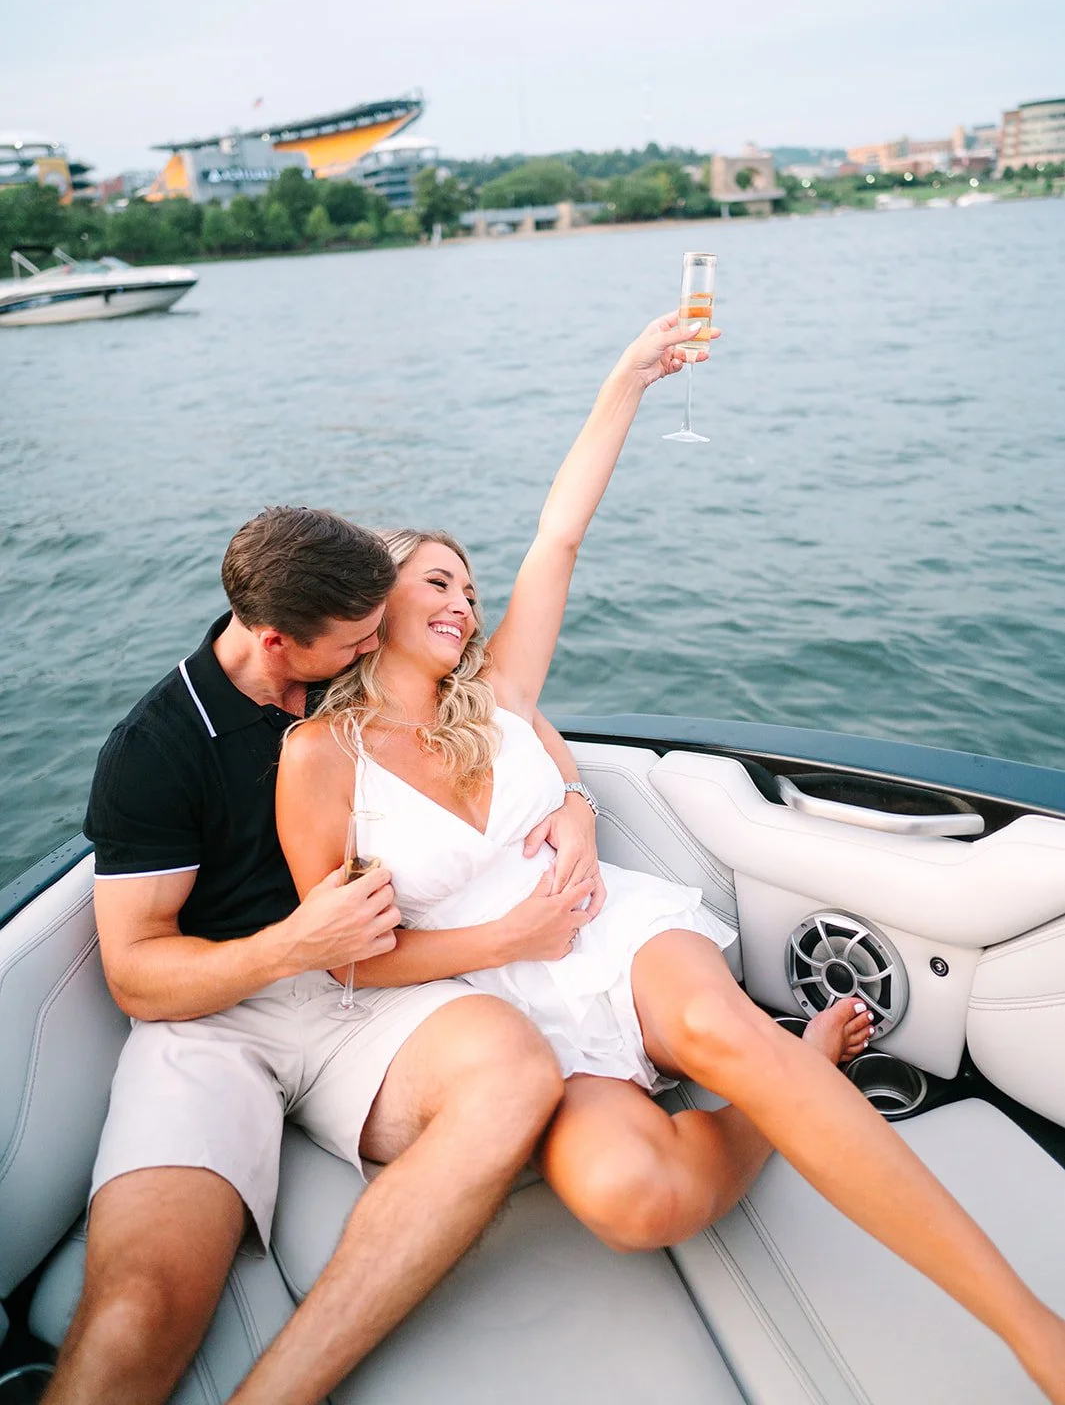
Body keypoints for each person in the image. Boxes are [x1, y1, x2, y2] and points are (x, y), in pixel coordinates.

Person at [278, 314, 1065, 1403]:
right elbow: (347, 961)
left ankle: (1037, 1334)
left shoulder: (501, 695)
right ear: (373, 603)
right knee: (632, 1199)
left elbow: (558, 533)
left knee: (715, 1026)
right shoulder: (321, 759)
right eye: (436, 583)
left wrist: (627, 380)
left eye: (468, 585)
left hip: (612, 930)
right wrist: (506, 936)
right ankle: (789, 1092)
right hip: (505, 1004)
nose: (463, 602)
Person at [48, 505, 606, 1405]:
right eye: (354, 642)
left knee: (516, 1077)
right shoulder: (156, 753)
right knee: (137, 1309)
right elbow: (135, 974)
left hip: (370, 999)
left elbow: (511, 699)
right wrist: (291, 945)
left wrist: (574, 796)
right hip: (214, 1017)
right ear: (275, 641)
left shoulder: (353, 658)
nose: (370, 649)